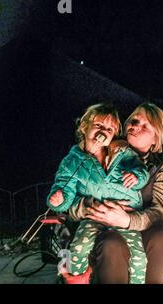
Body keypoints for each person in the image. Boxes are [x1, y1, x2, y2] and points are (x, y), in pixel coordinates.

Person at [68, 102, 163, 284]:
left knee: (162, 238)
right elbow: (68, 204)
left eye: (145, 127)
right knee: (112, 244)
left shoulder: (161, 167)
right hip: (104, 228)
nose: (135, 127)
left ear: (155, 139)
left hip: (144, 227)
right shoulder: (98, 153)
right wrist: (94, 207)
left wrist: (128, 220)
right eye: (134, 121)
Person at [47, 103, 149, 283]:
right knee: (79, 247)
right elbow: (64, 186)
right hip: (94, 217)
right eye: (99, 126)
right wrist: (59, 199)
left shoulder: (122, 152)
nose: (104, 131)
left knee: (139, 256)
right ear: (84, 127)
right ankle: (77, 279)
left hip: (126, 214)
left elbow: (141, 170)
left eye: (109, 129)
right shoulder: (73, 160)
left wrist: (136, 176)